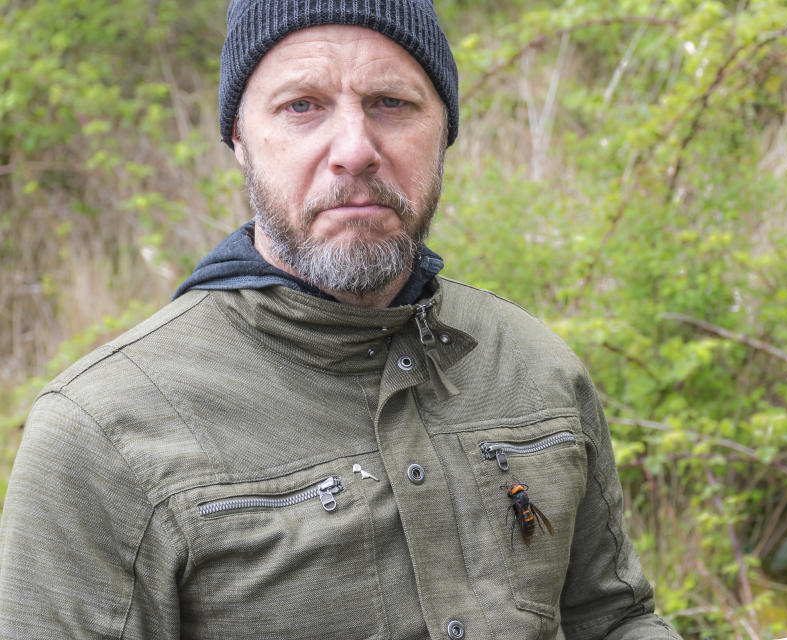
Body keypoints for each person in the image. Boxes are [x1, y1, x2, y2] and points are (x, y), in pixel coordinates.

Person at [0, 1, 681, 638]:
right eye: (303, 106)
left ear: (444, 130)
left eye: (392, 103)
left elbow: (614, 617)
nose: (354, 148)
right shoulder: (104, 435)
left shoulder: (534, 365)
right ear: (239, 137)